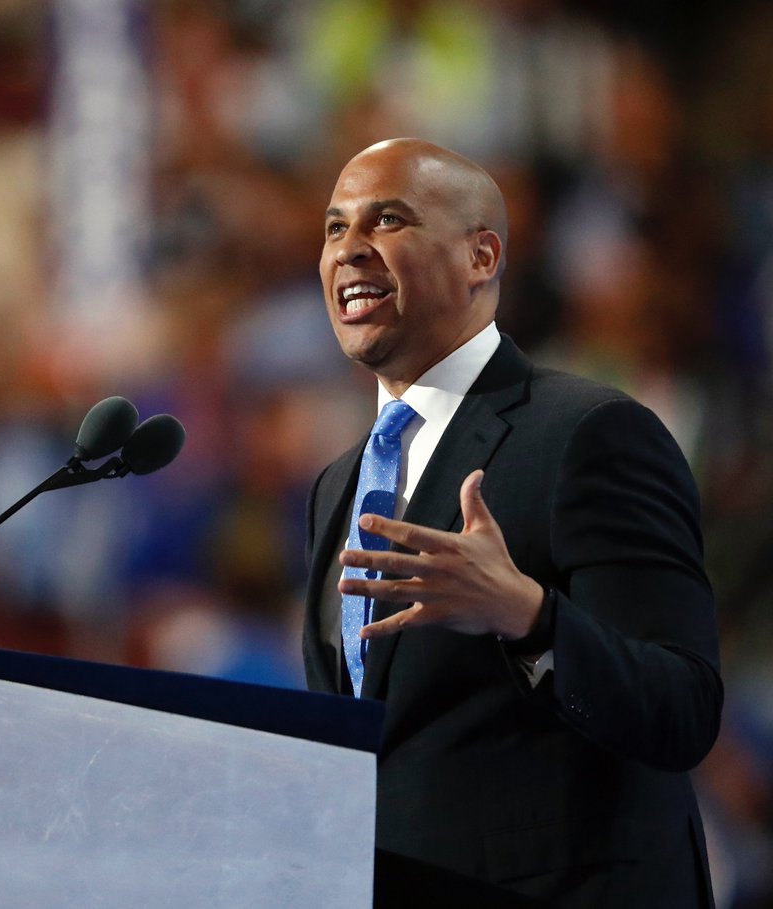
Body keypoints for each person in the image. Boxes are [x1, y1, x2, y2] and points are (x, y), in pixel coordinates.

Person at [302, 138, 722, 907]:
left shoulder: (590, 432)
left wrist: (528, 616)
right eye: (335, 227)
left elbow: (684, 709)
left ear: (482, 255)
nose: (349, 248)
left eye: (387, 219)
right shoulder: (337, 485)